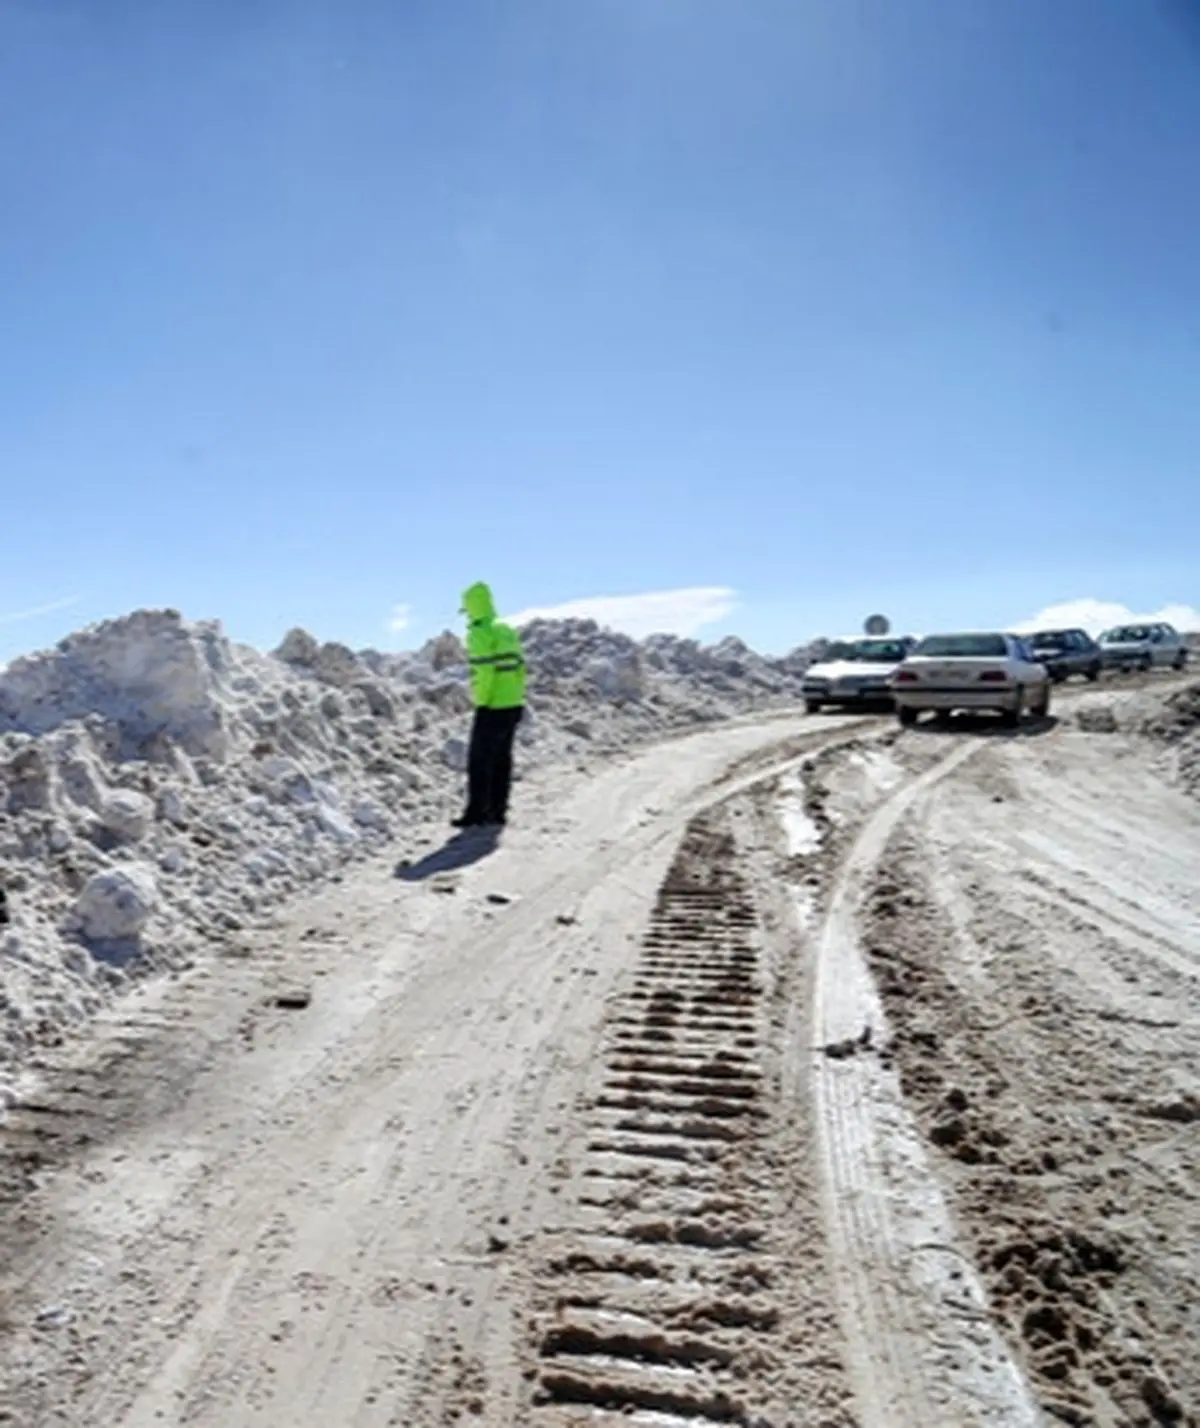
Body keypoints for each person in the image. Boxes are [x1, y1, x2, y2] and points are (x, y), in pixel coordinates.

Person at [453, 581, 527, 829]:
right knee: (502, 758)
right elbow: (520, 668)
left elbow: (484, 673)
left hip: (493, 705)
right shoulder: (506, 629)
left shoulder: (480, 632)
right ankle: (498, 811)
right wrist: (516, 696)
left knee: (479, 760)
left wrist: (482, 703)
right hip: (513, 703)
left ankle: (476, 813)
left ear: (472, 607)